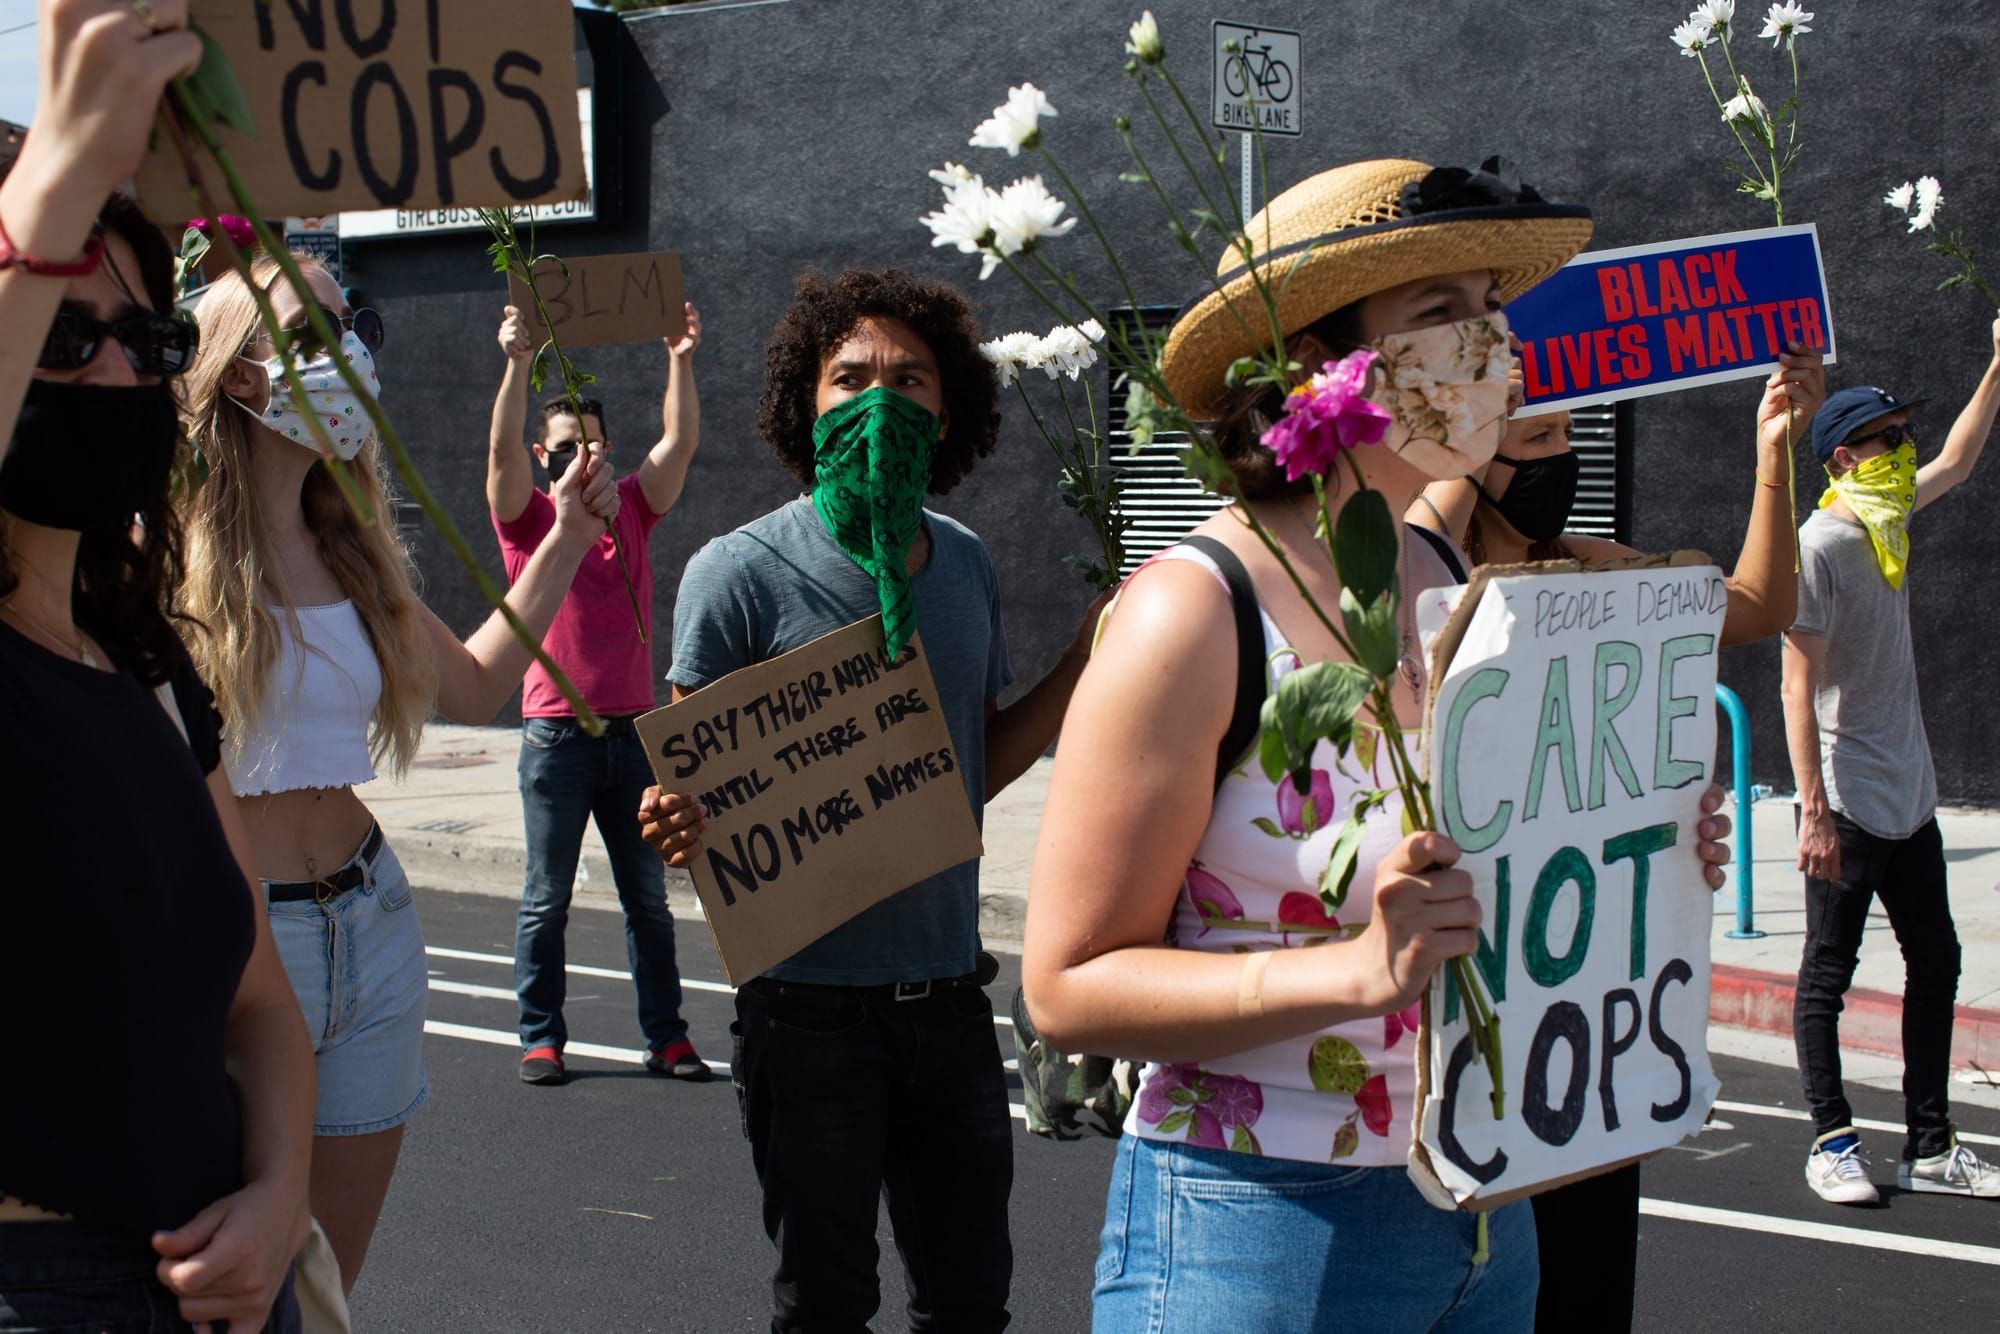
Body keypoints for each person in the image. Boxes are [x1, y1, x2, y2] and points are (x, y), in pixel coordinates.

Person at [1020, 158, 1737, 1332]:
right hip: (1261, 1225)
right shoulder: (1190, 611)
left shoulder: (1447, 572)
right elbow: (1066, 980)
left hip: (1482, 1207)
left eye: (1488, 307)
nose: (1491, 344)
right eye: (1436, 314)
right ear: (1314, 363)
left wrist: (1637, 846)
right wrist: (1351, 970)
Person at [636, 266, 1100, 1332]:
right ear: (806, 400)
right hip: (805, 1013)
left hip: (944, 999)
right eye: (851, 377)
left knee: (969, 1299)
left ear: (950, 410)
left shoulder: (968, 566)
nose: (880, 398)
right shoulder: (734, 572)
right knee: (825, 1302)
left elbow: (971, 762)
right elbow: (694, 774)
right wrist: (675, 823)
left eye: (911, 377)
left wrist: (1082, 663)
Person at [174, 252, 623, 1292]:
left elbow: (471, 687)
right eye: (319, 328)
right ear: (240, 375)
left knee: (327, 1284)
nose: (356, 353)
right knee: (234, 1280)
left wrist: (568, 536)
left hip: (371, 927)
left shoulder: (351, 548)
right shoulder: (164, 558)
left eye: (357, 323)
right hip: (240, 946)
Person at [0, 4, 313, 1328]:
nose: (127, 370)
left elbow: (262, 1008)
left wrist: (281, 1192)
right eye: (72, 339)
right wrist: (65, 170)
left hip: (223, 1283)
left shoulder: (148, 671)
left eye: (154, 341)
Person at [1410, 367, 1825, 1331]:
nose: (1563, 458)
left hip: (1584, 1023)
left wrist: (1774, 454)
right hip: (1466, 999)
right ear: (1474, 461)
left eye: (1568, 437)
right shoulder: (1419, 575)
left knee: (1585, 1288)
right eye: (1537, 441)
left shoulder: (1594, 567)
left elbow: (1758, 603)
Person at [1783, 319, 2000, 1205]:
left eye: (1901, 434)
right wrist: (1811, 808)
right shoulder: (1822, 543)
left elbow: (1960, 458)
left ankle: (1930, 1144)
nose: (1903, 448)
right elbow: (1795, 686)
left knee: (1937, 962)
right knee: (1827, 975)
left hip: (1910, 794)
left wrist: (1997, 364)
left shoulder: (1888, 519)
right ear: (1842, 458)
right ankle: (1832, 1142)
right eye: (1885, 438)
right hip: (1847, 795)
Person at [487, 300, 708, 1085]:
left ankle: (668, 1038)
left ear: (607, 453)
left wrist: (679, 354)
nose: (575, 459)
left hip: (634, 738)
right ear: (541, 458)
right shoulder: (529, 523)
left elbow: (678, 442)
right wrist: (517, 364)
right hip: (555, 740)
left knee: (647, 901)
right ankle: (540, 1037)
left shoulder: (636, 511)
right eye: (560, 450)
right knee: (547, 900)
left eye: (589, 446)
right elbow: (498, 458)